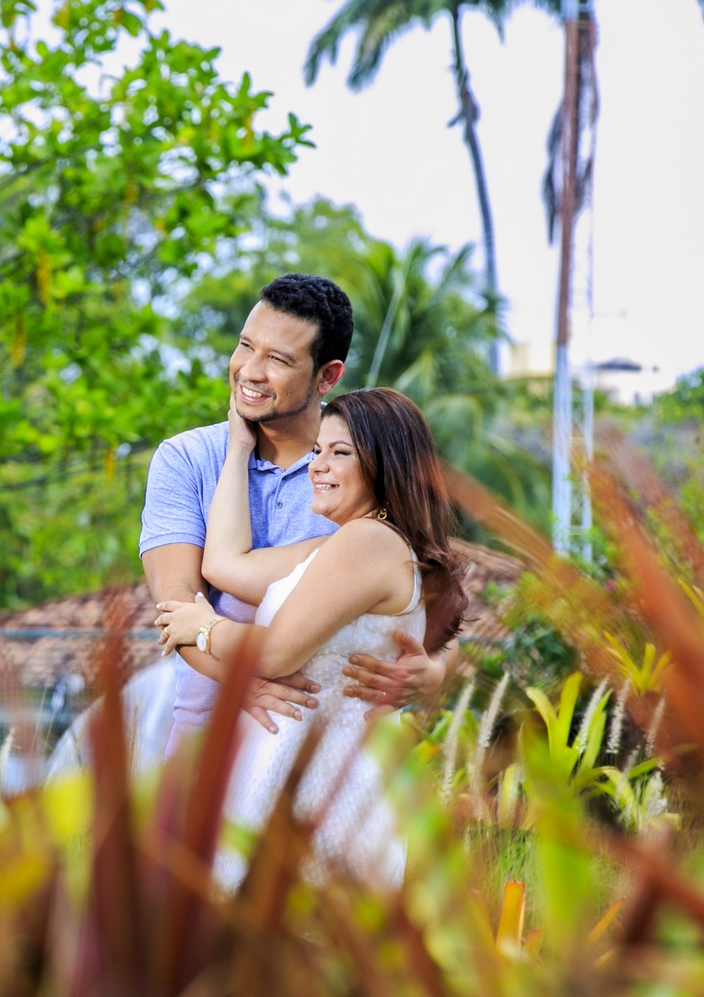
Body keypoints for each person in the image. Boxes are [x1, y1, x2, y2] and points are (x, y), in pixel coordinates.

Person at [153, 387, 468, 889]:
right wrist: (239, 448)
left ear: (386, 464)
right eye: (318, 450)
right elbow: (224, 564)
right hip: (299, 773)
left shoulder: (368, 543)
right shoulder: (344, 546)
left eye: (340, 453)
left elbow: (276, 654)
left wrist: (205, 628)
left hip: (319, 787)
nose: (317, 466)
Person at [139, 274, 448, 758]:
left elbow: (431, 594)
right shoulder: (187, 458)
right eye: (246, 346)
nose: (250, 371)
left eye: (278, 360)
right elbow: (177, 605)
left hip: (328, 753)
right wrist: (244, 685)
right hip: (206, 737)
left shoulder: (357, 472)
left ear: (327, 376)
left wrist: (437, 670)